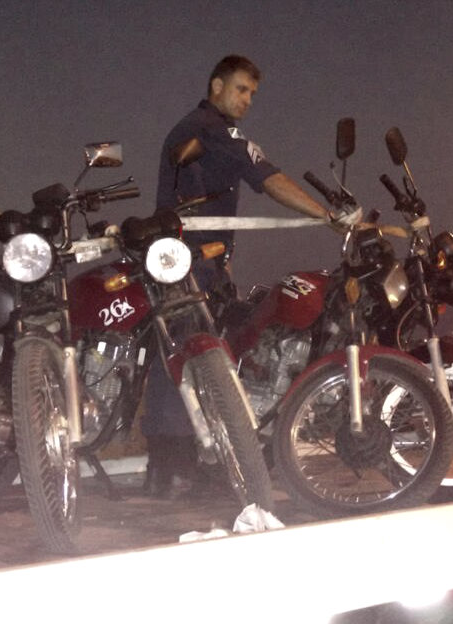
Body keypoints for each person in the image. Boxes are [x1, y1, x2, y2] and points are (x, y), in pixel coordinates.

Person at [141, 54, 336, 497]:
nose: (247, 100)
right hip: (187, 259)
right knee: (186, 352)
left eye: (252, 93)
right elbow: (267, 177)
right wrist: (325, 215)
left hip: (199, 257)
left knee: (190, 351)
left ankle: (176, 465)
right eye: (241, 89)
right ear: (217, 86)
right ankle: (175, 468)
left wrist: (223, 259)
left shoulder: (201, 130)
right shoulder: (211, 128)